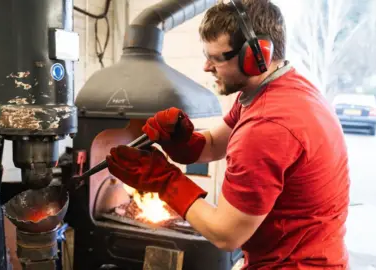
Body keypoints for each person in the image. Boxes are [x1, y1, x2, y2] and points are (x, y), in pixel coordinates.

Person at [105, 0, 350, 269]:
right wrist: (181, 141)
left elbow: (226, 234)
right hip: (311, 253)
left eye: (216, 58)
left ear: (256, 56)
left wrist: (162, 180)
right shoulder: (275, 89)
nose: (206, 67)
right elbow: (211, 144)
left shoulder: (267, 126)